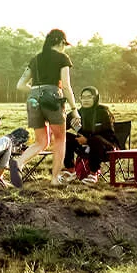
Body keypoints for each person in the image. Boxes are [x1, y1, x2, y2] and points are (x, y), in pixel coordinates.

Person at [16, 29, 80, 185]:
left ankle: (18, 163)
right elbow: (65, 85)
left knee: (41, 141)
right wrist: (74, 108)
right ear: (60, 42)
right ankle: (55, 178)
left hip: (33, 98)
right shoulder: (62, 58)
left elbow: (20, 85)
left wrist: (36, 91)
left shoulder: (36, 59)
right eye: (64, 44)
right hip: (52, 98)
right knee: (59, 139)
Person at [64, 86, 119, 184]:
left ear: (95, 98)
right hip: (84, 146)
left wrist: (88, 140)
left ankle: (93, 174)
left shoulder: (103, 112)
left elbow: (108, 135)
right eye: (83, 97)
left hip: (105, 147)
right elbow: (62, 126)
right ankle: (71, 171)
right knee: (65, 137)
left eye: (89, 97)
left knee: (95, 139)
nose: (86, 100)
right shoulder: (77, 113)